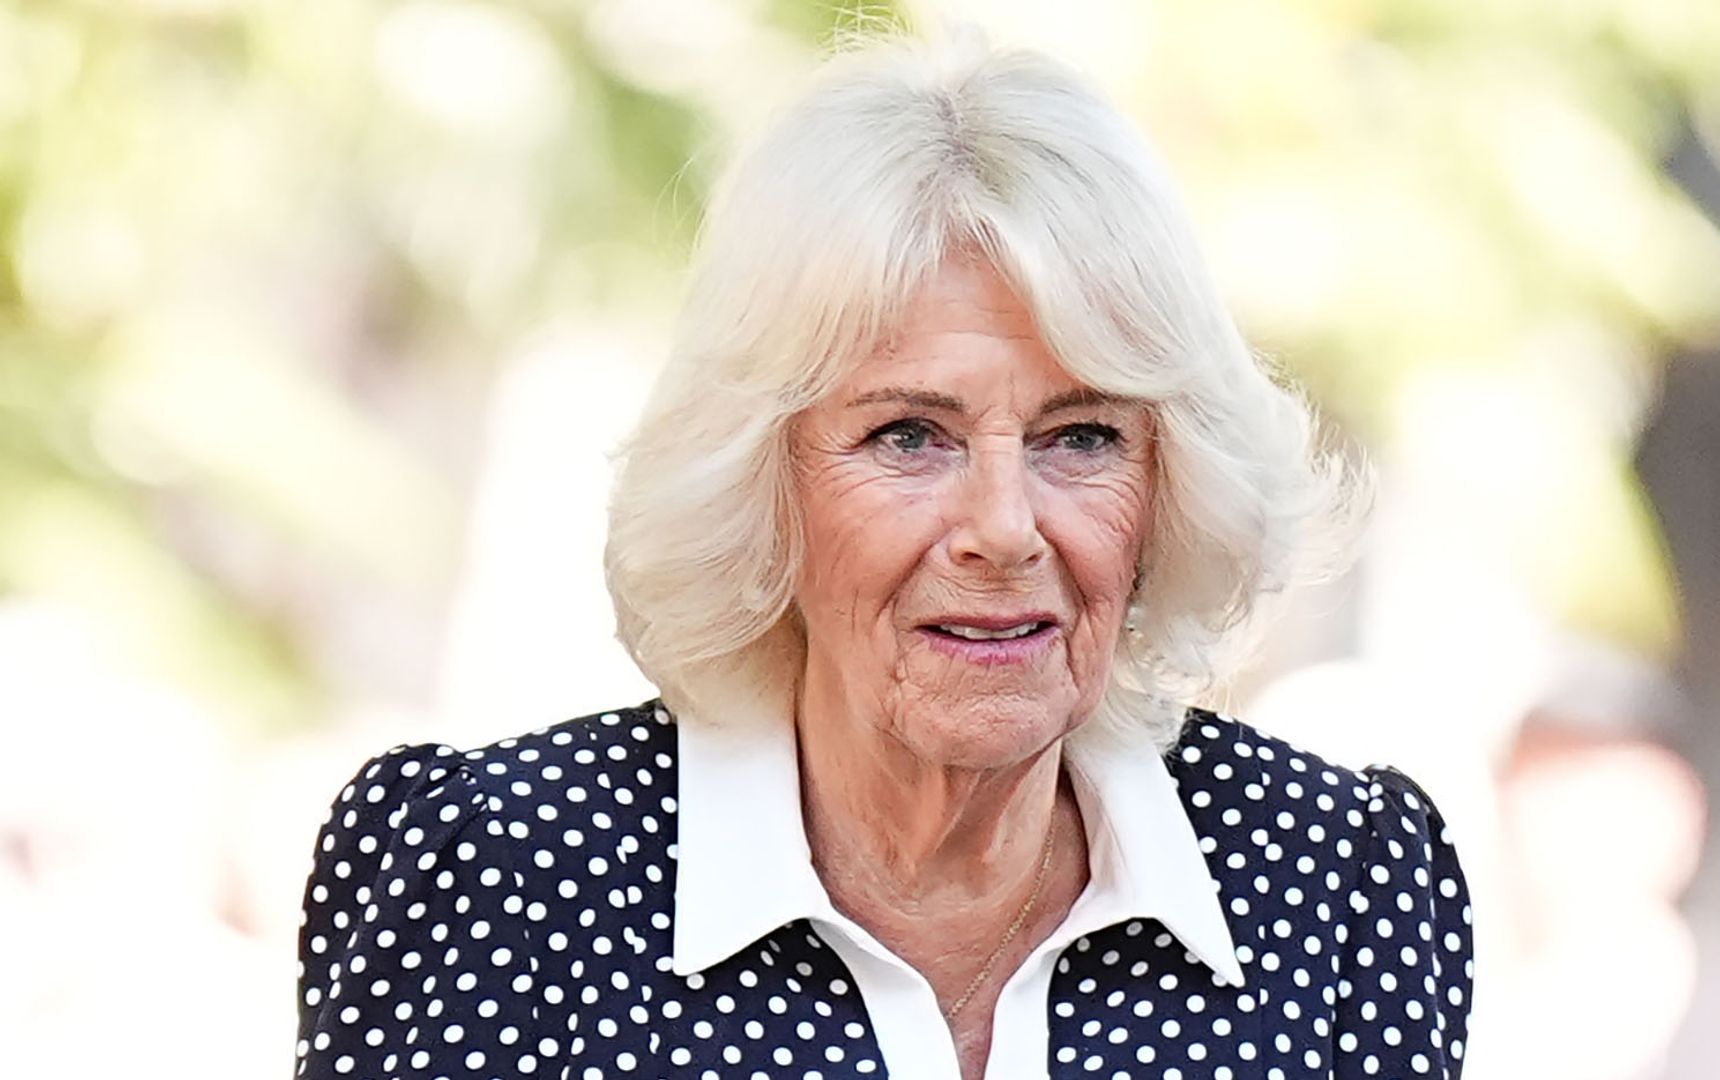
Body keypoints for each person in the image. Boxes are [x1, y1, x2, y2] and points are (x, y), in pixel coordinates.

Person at [295, 29, 1473, 1080]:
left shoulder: (1338, 882)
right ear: (766, 482)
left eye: (1082, 437)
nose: (1005, 527)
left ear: (1169, 483)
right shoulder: (492, 882)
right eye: (909, 435)